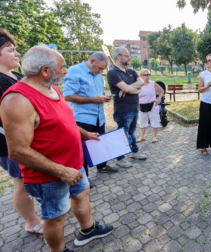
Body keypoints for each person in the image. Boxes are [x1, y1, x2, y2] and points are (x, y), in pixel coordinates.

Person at [0, 45, 113, 252]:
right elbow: (17, 151)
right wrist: (62, 171)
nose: (66, 71)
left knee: (82, 194)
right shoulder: (17, 100)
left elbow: (64, 120)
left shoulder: (51, 88)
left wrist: (83, 133)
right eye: (62, 67)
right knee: (56, 216)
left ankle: (88, 230)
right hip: (51, 174)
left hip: (73, 166)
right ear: (45, 70)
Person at [0, 29, 44, 235]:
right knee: (22, 184)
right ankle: (31, 222)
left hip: (32, 138)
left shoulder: (17, 75)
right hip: (12, 143)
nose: (18, 54)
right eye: (11, 50)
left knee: (29, 181)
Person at [63, 53, 118, 175]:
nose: (101, 71)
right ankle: (84, 177)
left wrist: (104, 98)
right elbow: (67, 95)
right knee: (83, 149)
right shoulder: (75, 71)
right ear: (92, 61)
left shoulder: (98, 75)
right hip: (83, 118)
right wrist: (94, 99)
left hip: (99, 117)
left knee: (99, 143)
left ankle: (102, 166)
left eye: (103, 69)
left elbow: (96, 95)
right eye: (100, 68)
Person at [107, 47, 147, 168]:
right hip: (123, 110)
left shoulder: (131, 71)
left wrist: (128, 89)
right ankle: (120, 158)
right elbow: (132, 88)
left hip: (134, 108)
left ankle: (134, 152)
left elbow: (142, 83)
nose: (129, 58)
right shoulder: (112, 72)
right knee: (122, 134)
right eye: (127, 56)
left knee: (132, 133)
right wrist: (134, 90)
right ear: (118, 56)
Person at [136, 68, 164, 143]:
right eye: (146, 75)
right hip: (141, 106)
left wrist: (158, 99)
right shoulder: (138, 85)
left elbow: (161, 91)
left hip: (152, 106)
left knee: (154, 121)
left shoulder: (152, 84)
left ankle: (154, 137)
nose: (148, 76)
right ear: (141, 76)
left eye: (149, 74)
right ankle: (142, 136)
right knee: (142, 122)